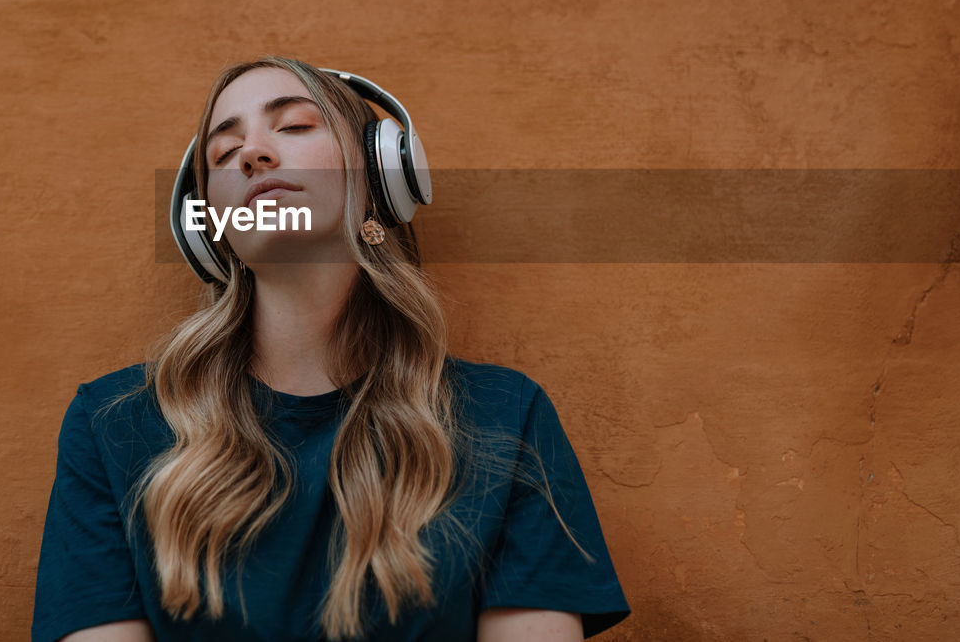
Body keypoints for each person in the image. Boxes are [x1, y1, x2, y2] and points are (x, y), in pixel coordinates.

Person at [31, 57, 631, 641]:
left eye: (293, 126)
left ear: (381, 177)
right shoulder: (112, 425)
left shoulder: (506, 415)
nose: (253, 153)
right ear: (207, 228)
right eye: (222, 153)